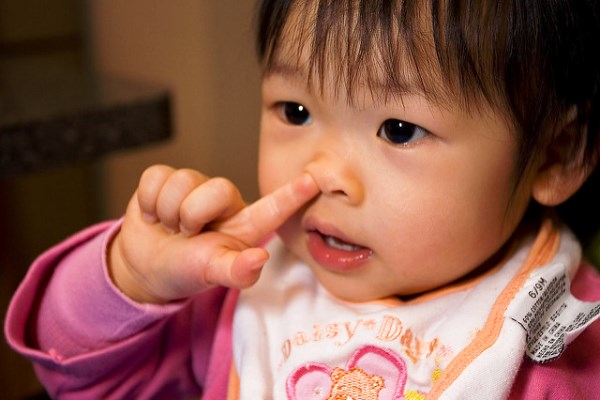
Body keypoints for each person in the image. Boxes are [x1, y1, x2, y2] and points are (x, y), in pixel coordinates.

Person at [6, 0, 600, 398]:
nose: (323, 174)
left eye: (398, 129)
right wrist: (129, 278)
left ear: (554, 155)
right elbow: (76, 372)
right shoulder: (242, 288)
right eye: (295, 111)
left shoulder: (560, 341)